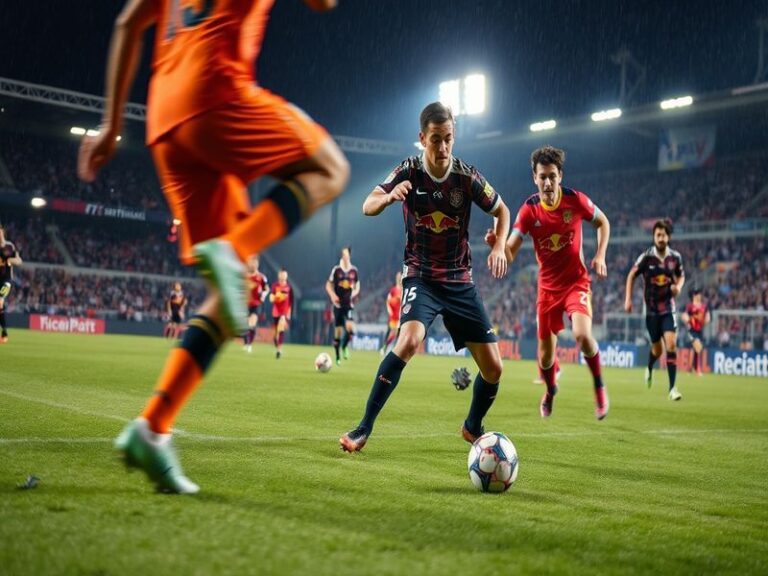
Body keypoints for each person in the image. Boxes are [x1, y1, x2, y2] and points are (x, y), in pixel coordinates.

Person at [77, 0, 348, 494]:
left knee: (230, 298)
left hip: (165, 122)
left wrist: (112, 124)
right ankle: (236, 246)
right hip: (214, 91)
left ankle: (152, 429)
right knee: (331, 169)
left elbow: (125, 22)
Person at [339, 102, 510, 453]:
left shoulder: (467, 177)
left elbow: (502, 210)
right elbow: (366, 204)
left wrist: (499, 246)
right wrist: (387, 197)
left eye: (448, 139)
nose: (443, 147)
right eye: (436, 140)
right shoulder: (409, 170)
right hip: (421, 276)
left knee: (494, 369)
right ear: (422, 139)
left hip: (460, 279)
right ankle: (362, 429)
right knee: (409, 341)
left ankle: (472, 426)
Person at [495, 145, 610, 420]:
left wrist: (600, 254)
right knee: (546, 358)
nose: (547, 182)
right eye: (542, 176)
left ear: (561, 176)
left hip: (576, 283)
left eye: (552, 176)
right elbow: (509, 251)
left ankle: (599, 387)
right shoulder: (529, 210)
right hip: (547, 289)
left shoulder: (576, 201)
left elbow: (603, 223)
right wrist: (498, 246)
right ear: (534, 178)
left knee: (582, 335)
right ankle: (549, 390)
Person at [624, 219, 685, 400]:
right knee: (657, 350)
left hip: (667, 307)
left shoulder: (675, 257)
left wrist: (679, 287)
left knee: (671, 344)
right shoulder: (646, 258)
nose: (660, 238)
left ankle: (672, 388)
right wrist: (628, 299)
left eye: (663, 235)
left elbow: (681, 276)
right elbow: (631, 275)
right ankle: (650, 367)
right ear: (653, 237)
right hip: (650, 311)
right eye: (657, 235)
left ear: (669, 237)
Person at [325, 246, 360, 365]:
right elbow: (328, 285)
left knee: (351, 329)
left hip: (348, 304)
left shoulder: (354, 271)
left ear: (349, 255)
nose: (345, 256)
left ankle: (344, 347)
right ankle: (337, 356)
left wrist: (353, 293)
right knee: (338, 333)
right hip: (338, 305)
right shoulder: (336, 270)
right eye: (343, 254)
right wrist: (332, 295)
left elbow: (357, 286)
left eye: (347, 254)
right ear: (341, 256)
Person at [0, 223, 22, 343]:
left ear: (2, 231)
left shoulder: (10, 246)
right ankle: (4, 333)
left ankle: (4, 333)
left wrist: (9, 259)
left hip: (7, 280)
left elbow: (19, 261)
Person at [244, 254, 269, 353]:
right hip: (245, 304)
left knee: (251, 324)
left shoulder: (261, 277)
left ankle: (249, 345)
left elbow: (267, 289)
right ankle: (246, 343)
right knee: (245, 326)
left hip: (256, 304)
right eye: (251, 262)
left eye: (255, 262)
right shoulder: (244, 276)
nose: (253, 264)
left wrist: (263, 294)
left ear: (257, 264)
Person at [681, 288, 709, 376]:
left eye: (700, 295)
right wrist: (687, 319)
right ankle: (698, 370)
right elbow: (684, 315)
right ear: (694, 296)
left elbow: (707, 317)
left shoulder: (704, 306)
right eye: (697, 294)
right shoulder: (690, 306)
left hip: (700, 330)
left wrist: (706, 320)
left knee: (697, 349)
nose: (699, 296)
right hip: (692, 330)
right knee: (697, 347)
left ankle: (690, 368)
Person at [269, 269, 292, 359]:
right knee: (275, 334)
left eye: (284, 275)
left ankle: (279, 350)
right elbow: (271, 298)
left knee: (281, 328)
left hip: (284, 312)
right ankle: (276, 343)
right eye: (281, 275)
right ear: (279, 276)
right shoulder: (275, 286)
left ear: (286, 276)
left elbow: (290, 301)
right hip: (276, 312)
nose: (283, 276)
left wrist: (289, 312)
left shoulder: (289, 288)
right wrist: (276, 297)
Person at [380, 271, 402, 356]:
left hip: (401, 316)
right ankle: (385, 347)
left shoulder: (404, 289)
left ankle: (389, 349)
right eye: (398, 276)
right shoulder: (393, 290)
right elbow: (388, 301)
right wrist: (390, 311)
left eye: (400, 276)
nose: (399, 278)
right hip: (394, 316)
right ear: (396, 278)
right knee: (393, 332)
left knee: (397, 335)